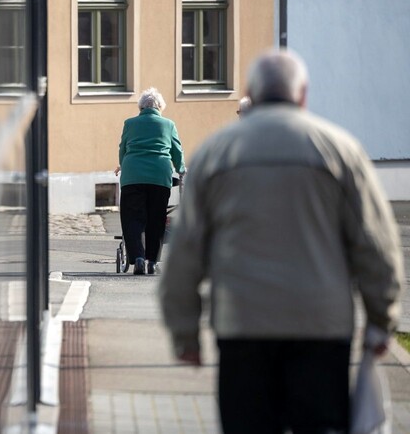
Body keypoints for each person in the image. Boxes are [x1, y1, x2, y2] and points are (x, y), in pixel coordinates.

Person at [158, 49, 403, 433]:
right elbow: (375, 244)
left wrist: (184, 331)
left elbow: (186, 251)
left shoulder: (215, 153)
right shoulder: (340, 150)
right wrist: (381, 320)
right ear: (303, 93)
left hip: (242, 323)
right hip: (321, 325)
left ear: (250, 92)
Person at [114, 87, 185, 275]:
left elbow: (123, 149)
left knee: (132, 218)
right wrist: (182, 170)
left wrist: (122, 164)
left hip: (132, 176)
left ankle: (137, 257)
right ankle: (152, 261)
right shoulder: (168, 124)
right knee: (156, 218)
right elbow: (177, 151)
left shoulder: (130, 123)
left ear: (141, 107)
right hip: (159, 176)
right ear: (160, 106)